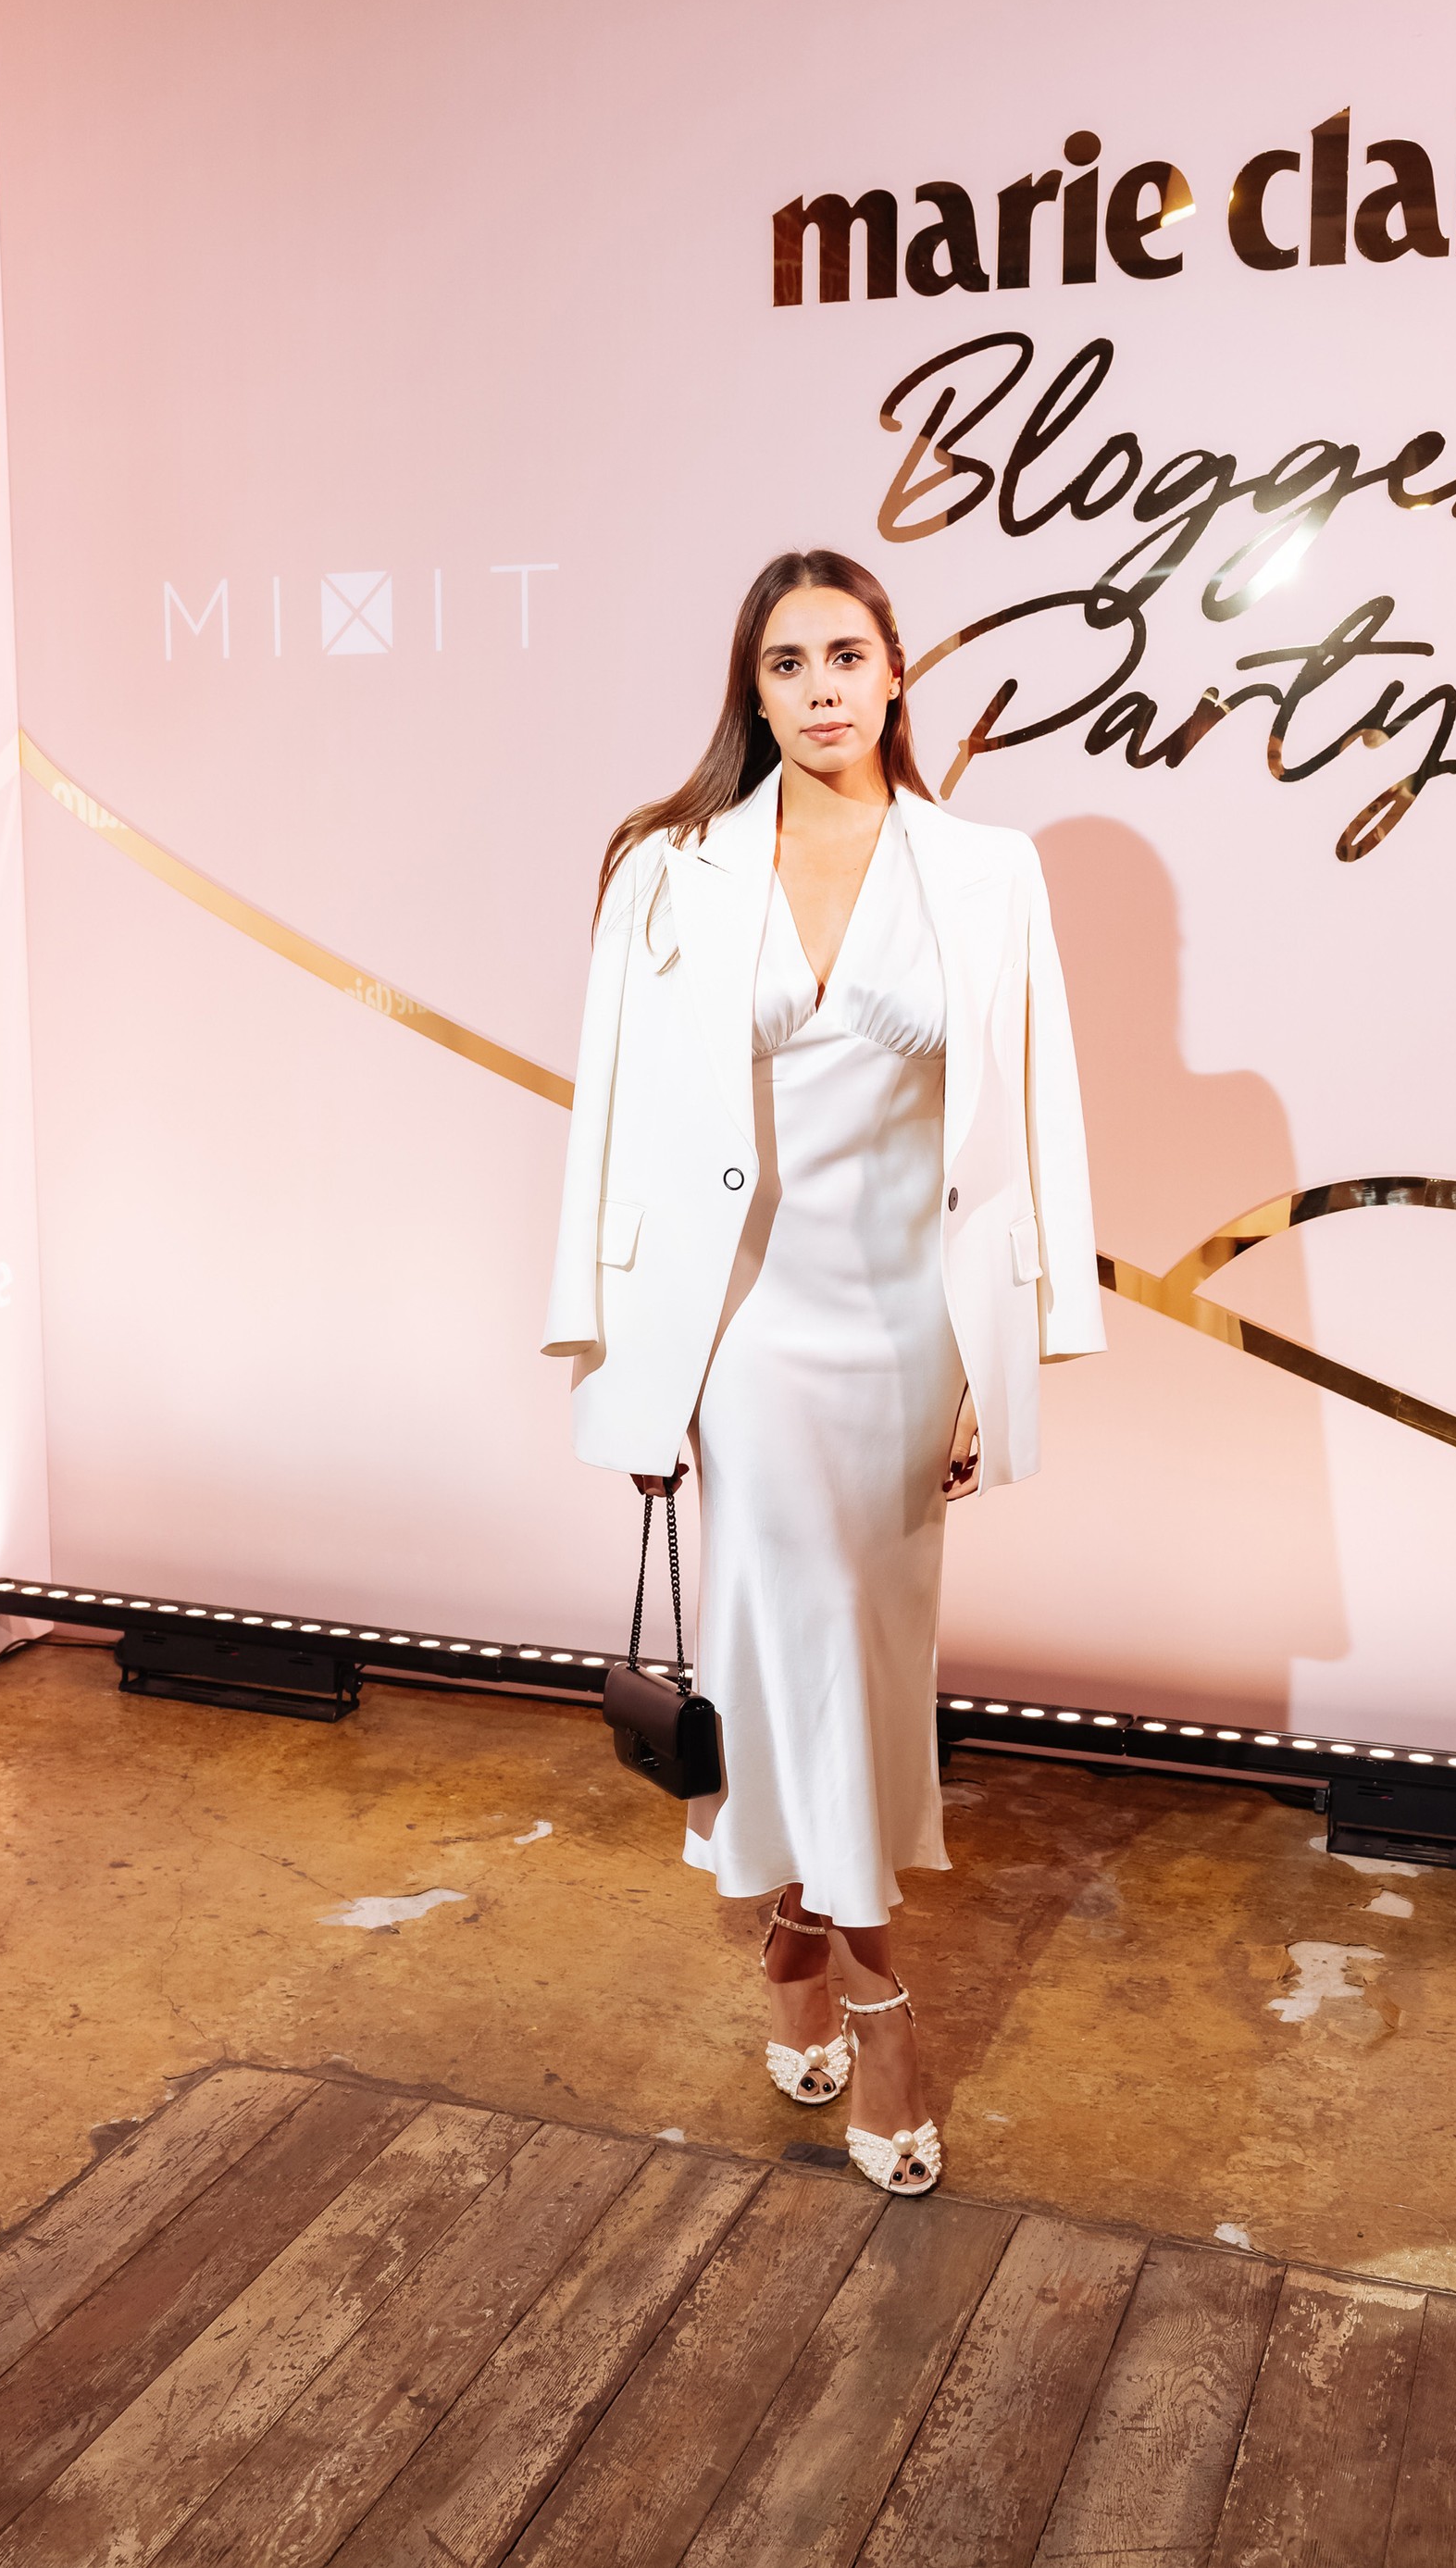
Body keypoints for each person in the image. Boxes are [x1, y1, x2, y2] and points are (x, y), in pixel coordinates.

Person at [544, 548, 1102, 2192]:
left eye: (846, 655)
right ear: (754, 690)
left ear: (896, 670)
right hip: (746, 1332)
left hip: (911, 1328)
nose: (820, 688)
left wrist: (1005, 1356)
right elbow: (612, 1124)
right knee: (798, 1632)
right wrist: (625, 1367)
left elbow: (1033, 1121)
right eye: (785, 664)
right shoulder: (666, 872)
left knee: (858, 1653)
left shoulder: (987, 871)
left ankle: (793, 1930)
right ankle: (879, 1997)